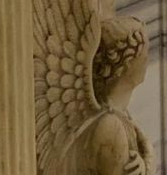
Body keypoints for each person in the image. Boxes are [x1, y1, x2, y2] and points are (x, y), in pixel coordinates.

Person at [61, 17, 156, 175]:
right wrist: (149, 164)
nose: (147, 61)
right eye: (144, 56)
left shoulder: (121, 118)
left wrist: (146, 163)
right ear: (127, 63)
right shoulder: (111, 126)